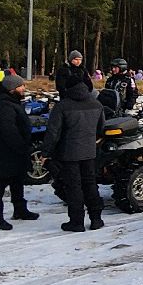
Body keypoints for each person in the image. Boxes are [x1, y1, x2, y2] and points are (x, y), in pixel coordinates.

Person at [43, 78, 106, 233]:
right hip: (89, 152)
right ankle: (96, 219)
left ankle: (76, 222)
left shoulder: (62, 106)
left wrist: (46, 153)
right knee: (91, 184)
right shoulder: (96, 104)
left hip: (69, 153)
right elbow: (101, 129)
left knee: (74, 187)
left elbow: (53, 133)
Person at [0, 70, 40, 229]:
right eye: (21, 86)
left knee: (17, 181)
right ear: (11, 88)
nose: (23, 88)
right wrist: (21, 146)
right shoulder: (3, 106)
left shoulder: (11, 102)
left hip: (14, 151)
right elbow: (9, 131)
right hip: (3, 152)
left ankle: (20, 209)